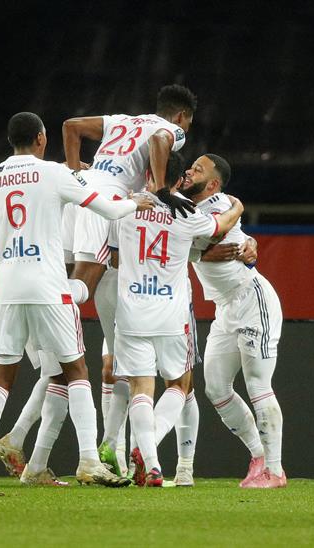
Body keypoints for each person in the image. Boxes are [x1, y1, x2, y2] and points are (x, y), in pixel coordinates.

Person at [0, 112, 153, 488]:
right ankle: (88, 461)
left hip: (5, 285)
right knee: (76, 370)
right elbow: (110, 209)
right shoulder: (54, 174)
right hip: (49, 286)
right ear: (40, 139)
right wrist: (136, 200)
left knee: (2, 377)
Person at [61, 85, 198, 466]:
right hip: (108, 203)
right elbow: (158, 138)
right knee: (85, 285)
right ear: (182, 117)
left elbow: (71, 126)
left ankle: (112, 447)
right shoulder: (170, 130)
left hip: (80, 192)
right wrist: (156, 185)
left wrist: (74, 167)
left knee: (113, 350)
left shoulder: (121, 120)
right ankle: (49, 301)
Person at [106, 151, 243, 486]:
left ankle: (151, 464)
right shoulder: (188, 212)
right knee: (180, 386)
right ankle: (151, 448)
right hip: (171, 311)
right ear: (180, 177)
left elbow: (112, 260)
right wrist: (238, 207)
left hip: (131, 308)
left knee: (140, 385)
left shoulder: (125, 205)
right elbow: (220, 226)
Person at [181, 154, 287, 488]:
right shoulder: (194, 204)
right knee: (215, 386)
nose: (189, 171)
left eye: (198, 169)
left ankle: (275, 469)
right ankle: (258, 457)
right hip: (226, 308)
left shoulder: (218, 205)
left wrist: (201, 249)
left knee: (257, 383)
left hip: (253, 299)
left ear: (212, 184)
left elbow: (209, 235)